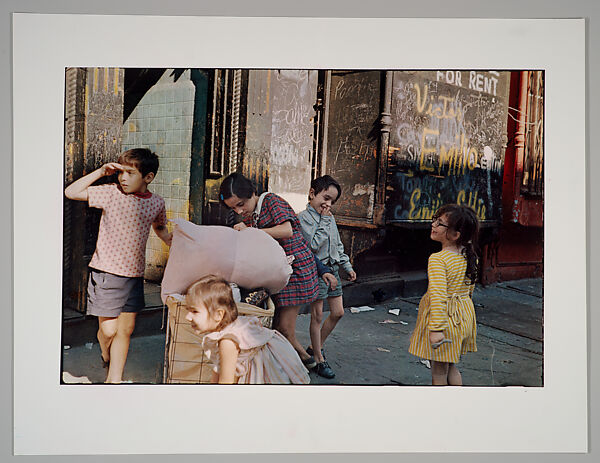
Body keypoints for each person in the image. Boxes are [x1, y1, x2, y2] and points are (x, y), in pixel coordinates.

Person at [64, 148, 172, 383]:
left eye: (130, 173)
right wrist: (101, 172)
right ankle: (104, 350)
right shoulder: (111, 194)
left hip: (133, 277)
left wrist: (174, 243)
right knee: (109, 331)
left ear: (148, 177)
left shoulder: (156, 203)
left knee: (125, 331)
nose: (122, 178)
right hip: (107, 273)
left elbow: (160, 227)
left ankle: (114, 380)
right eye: (121, 172)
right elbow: (71, 192)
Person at [219, 172, 320, 370]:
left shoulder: (272, 201)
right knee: (276, 326)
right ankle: (293, 362)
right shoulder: (248, 217)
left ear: (253, 193)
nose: (239, 211)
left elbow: (286, 230)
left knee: (284, 329)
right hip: (278, 272)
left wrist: (250, 232)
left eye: (241, 204)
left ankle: (308, 361)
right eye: (233, 208)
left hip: (296, 270)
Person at [184, 275, 310, 384]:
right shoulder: (232, 326)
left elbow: (226, 382)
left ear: (219, 315)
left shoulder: (227, 342)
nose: (188, 317)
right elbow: (219, 369)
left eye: (194, 311)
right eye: (188, 310)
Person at [408, 204, 480, 386]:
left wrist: (436, 329)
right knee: (451, 365)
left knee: (439, 372)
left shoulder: (438, 260)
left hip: (445, 320)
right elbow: (469, 290)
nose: (433, 225)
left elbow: (439, 296)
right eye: (435, 219)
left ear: (455, 235)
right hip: (462, 317)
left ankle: (443, 409)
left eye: (440, 223)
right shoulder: (469, 255)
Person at [298, 175, 356, 379]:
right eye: (325, 197)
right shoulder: (303, 219)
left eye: (332, 201)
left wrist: (346, 266)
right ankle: (319, 360)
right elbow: (312, 246)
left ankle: (316, 347)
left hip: (333, 270)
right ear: (312, 193)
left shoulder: (330, 218)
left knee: (338, 312)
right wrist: (323, 220)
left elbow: (337, 245)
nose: (328, 204)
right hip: (317, 271)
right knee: (317, 316)